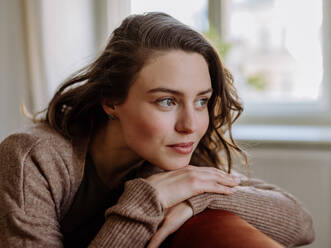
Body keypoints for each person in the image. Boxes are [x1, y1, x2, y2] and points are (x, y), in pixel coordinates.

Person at [0, 12, 314, 248]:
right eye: (166, 101)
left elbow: (301, 223)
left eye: (202, 100)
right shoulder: (33, 158)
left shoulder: (169, 161)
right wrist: (147, 200)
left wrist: (201, 198)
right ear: (111, 101)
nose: (190, 125)